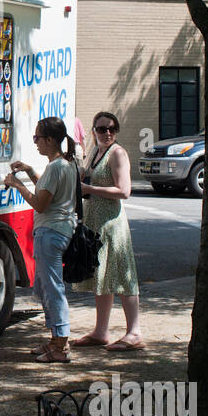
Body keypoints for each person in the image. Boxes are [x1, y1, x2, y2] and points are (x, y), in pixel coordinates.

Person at [5, 116, 78, 363]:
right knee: (44, 287)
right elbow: (48, 191)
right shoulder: (64, 164)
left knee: (53, 289)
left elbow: (40, 203)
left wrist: (16, 184)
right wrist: (29, 172)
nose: (35, 142)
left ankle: (61, 346)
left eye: (37, 137)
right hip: (59, 231)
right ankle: (55, 340)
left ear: (49, 140)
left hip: (50, 233)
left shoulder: (56, 167)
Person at [72, 111, 143, 351]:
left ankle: (134, 332)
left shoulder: (118, 153)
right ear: (93, 131)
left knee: (123, 275)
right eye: (102, 129)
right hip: (96, 223)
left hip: (112, 225)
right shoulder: (95, 152)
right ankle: (101, 331)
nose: (107, 133)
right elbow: (83, 179)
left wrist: (89, 188)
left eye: (112, 128)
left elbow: (124, 191)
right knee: (102, 277)